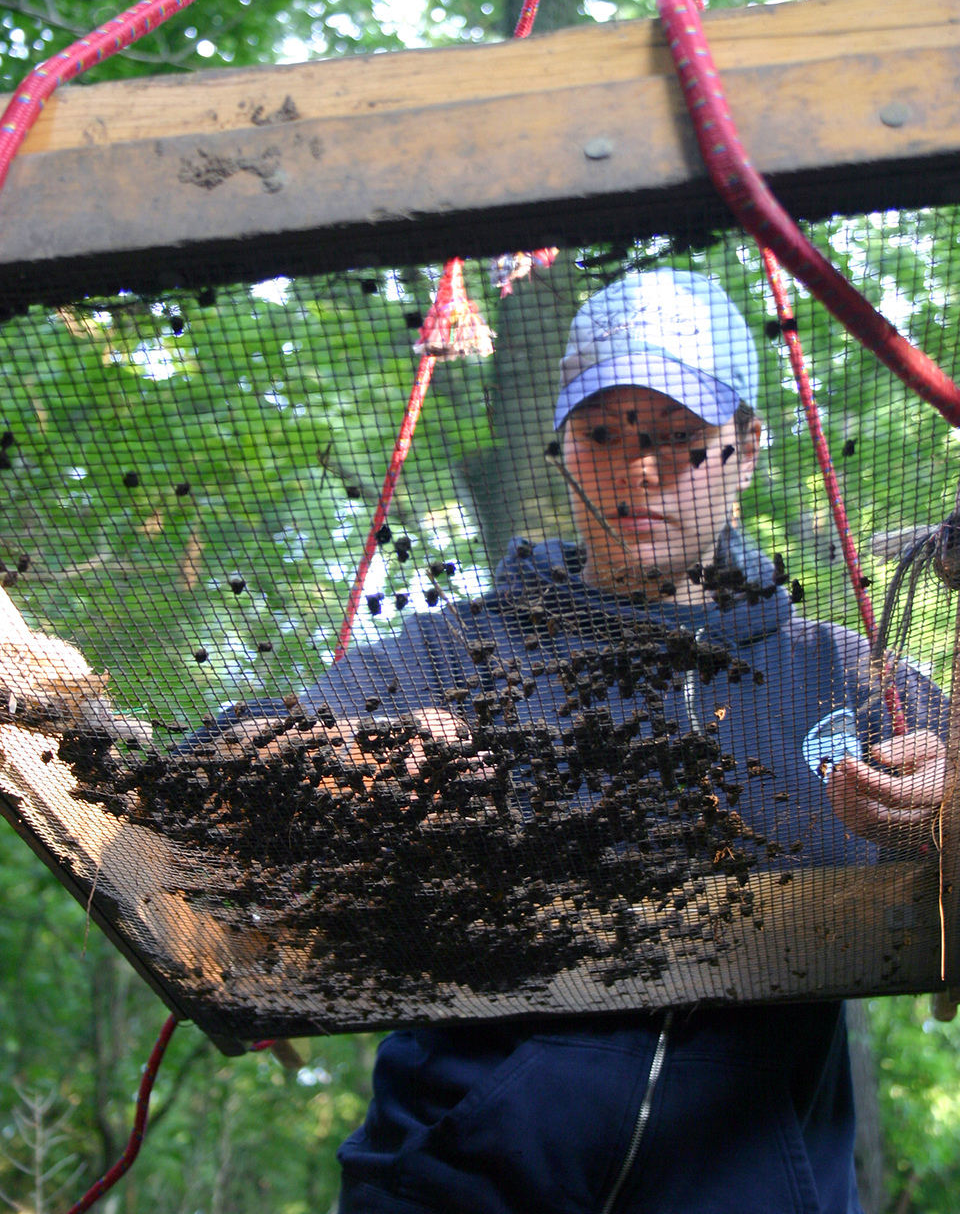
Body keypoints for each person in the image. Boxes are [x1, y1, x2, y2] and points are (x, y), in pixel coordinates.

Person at [272, 272, 951, 1212]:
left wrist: (947, 811)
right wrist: (350, 773)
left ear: (747, 447)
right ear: (562, 453)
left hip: (756, 1177)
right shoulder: (455, 651)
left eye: (679, 436)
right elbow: (245, 766)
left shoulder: (840, 675)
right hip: (456, 1178)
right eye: (604, 436)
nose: (639, 471)